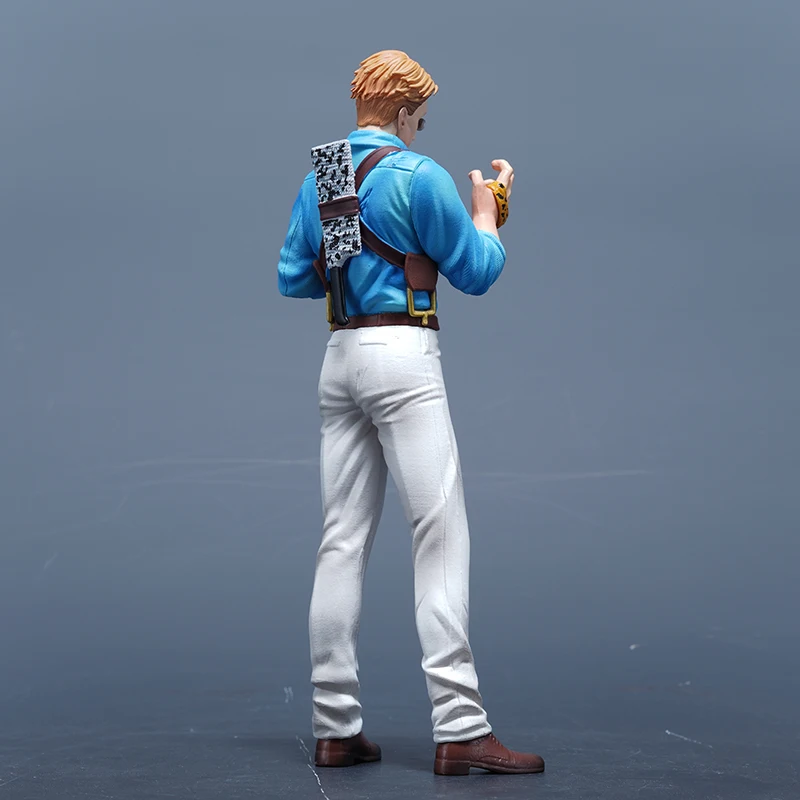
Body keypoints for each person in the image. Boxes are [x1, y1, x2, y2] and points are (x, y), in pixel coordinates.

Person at [277, 49, 544, 777]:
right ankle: (460, 727)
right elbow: (477, 273)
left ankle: (334, 726)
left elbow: (293, 277)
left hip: (340, 358)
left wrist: (353, 265)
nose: (421, 127)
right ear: (401, 111)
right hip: (402, 356)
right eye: (420, 117)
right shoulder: (420, 175)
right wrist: (489, 215)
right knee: (439, 535)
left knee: (341, 541)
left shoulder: (325, 176)